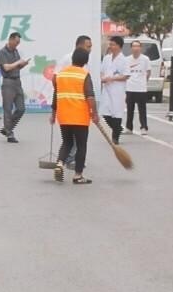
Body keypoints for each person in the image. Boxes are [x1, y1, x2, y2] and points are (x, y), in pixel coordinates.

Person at [52, 46, 98, 184]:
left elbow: (56, 94)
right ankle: (78, 175)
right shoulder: (84, 74)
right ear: (86, 61)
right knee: (81, 145)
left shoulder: (61, 74)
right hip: (80, 116)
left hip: (64, 116)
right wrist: (95, 113)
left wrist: (53, 113)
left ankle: (60, 163)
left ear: (72, 59)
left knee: (67, 142)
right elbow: (90, 96)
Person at [94, 37, 129, 144]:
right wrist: (102, 78)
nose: (110, 46)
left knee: (117, 113)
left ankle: (115, 138)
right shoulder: (107, 58)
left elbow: (126, 75)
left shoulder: (124, 60)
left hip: (117, 90)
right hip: (106, 90)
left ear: (119, 46)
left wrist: (112, 78)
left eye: (113, 44)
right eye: (110, 44)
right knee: (105, 113)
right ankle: (117, 129)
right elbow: (102, 71)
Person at [0, 32, 28, 142]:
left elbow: (16, 67)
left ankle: (7, 128)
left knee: (21, 108)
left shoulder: (16, 51)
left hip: (17, 81)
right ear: (10, 39)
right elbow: (6, 68)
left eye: (18, 42)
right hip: (8, 82)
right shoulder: (2, 52)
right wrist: (18, 62)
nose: (17, 44)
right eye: (16, 42)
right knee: (8, 109)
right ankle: (9, 134)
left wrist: (22, 64)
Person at [123, 40, 152, 134]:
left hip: (141, 88)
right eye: (134, 46)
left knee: (142, 109)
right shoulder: (127, 59)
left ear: (140, 48)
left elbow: (148, 72)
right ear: (131, 48)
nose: (136, 48)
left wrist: (143, 81)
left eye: (138, 46)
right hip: (130, 87)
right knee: (130, 109)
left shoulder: (145, 59)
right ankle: (129, 127)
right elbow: (125, 73)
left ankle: (144, 127)